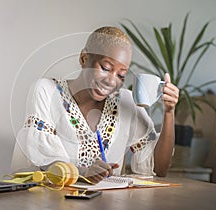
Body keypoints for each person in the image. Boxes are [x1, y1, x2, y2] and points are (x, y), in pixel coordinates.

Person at [11, 26, 179, 183]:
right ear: (84, 58)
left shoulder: (126, 102)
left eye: (121, 75)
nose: (111, 80)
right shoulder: (46, 91)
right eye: (105, 68)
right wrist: (83, 173)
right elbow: (43, 160)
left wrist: (169, 112)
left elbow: (159, 169)